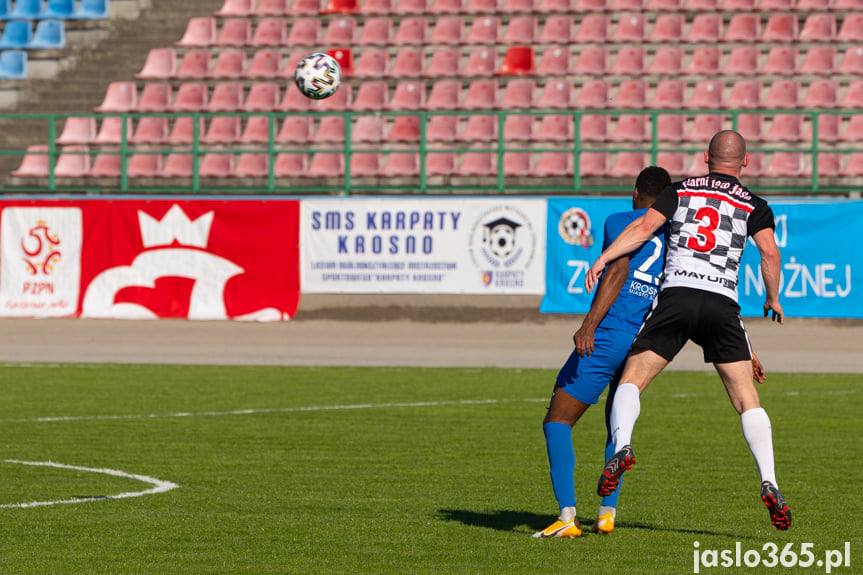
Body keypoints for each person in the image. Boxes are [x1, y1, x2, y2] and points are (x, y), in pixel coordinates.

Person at [584, 130, 791, 531]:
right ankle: (769, 480)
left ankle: (623, 444)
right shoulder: (755, 205)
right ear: (745, 162)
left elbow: (643, 227)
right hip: (721, 303)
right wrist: (773, 298)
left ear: (705, 157)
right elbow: (769, 252)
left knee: (633, 378)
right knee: (747, 400)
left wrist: (604, 256)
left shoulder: (680, 190)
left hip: (677, 295)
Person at [533, 166, 673, 539]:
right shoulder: (674, 233)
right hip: (646, 341)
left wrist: (589, 323)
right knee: (617, 422)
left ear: (636, 192)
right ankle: (607, 513)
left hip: (610, 333)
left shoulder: (622, 220)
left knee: (557, 421)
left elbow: (618, 269)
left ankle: (566, 517)